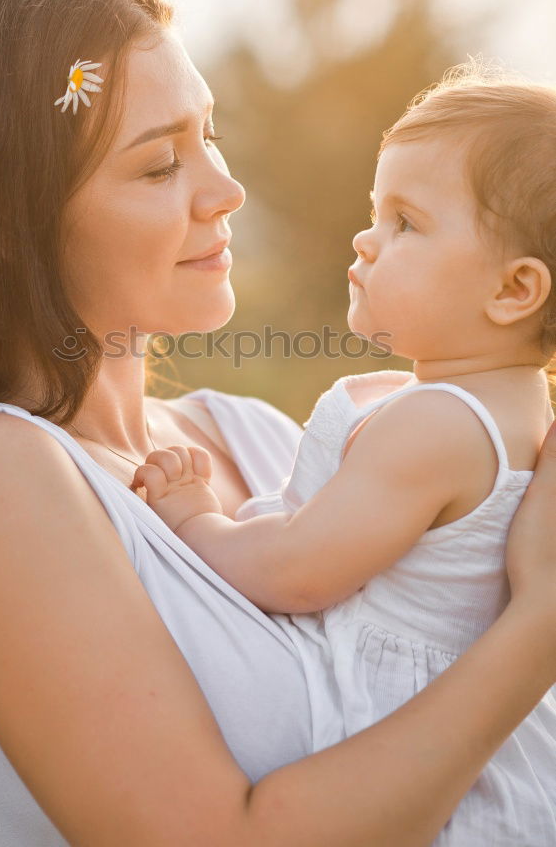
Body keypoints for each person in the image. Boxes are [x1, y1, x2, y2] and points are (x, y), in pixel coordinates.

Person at [0, 0, 556, 847]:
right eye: (161, 164)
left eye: (212, 136)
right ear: (12, 227)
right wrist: (540, 624)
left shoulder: (262, 436)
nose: (224, 190)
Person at [132, 65, 556, 843]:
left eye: (405, 222)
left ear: (512, 290)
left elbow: (297, 569)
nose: (366, 237)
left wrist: (197, 522)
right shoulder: (506, 406)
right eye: (374, 210)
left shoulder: (438, 424)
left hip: (399, 749)